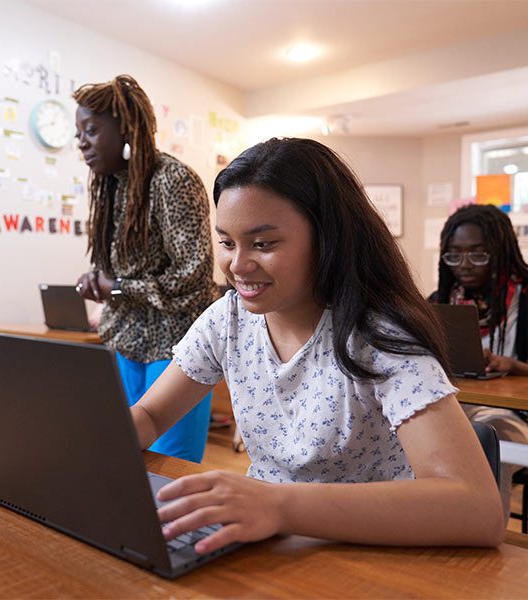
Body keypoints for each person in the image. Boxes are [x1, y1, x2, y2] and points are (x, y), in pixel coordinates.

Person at [128, 138, 504, 553]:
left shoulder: (380, 335)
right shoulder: (227, 319)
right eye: (227, 242)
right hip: (267, 543)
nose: (237, 265)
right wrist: (94, 440)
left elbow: (477, 508)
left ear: (328, 239)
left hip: (370, 552)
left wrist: (279, 505)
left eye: (264, 244)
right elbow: (150, 412)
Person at [72, 74, 216, 462]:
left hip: (175, 347)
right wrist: (99, 281)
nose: (81, 142)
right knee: (124, 460)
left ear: (125, 127)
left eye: (91, 130)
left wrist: (117, 286)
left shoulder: (173, 179)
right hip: (126, 341)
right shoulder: (110, 187)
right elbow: (123, 271)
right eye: (78, 134)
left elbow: (195, 276)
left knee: (171, 468)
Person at [431, 203, 528, 517]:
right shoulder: (439, 302)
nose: (464, 265)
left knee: (487, 444)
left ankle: (483, 534)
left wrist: (512, 365)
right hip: (454, 409)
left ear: (501, 252)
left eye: (478, 254)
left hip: (520, 417)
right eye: (454, 255)